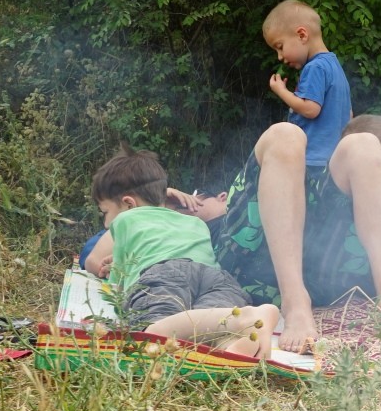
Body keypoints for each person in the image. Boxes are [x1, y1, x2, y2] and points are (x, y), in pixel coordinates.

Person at [173, 114, 381, 346]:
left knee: (365, 143)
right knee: (285, 134)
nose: (196, 202)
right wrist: (166, 199)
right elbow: (139, 214)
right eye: (193, 199)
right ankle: (295, 303)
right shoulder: (190, 217)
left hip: (323, 268)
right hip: (249, 261)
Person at [86, 151, 280, 358]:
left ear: (128, 204)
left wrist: (114, 270)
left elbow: (117, 283)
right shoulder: (194, 222)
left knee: (151, 335)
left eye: (105, 213)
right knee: (207, 333)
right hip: (218, 279)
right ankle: (233, 342)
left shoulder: (126, 219)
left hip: (164, 272)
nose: (106, 223)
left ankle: (245, 318)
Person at [262, 0, 352, 177]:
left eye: (280, 47)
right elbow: (348, 114)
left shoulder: (315, 68)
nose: (279, 57)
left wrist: (281, 91)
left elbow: (310, 109)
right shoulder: (334, 66)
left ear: (302, 35)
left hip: (312, 161)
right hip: (331, 160)